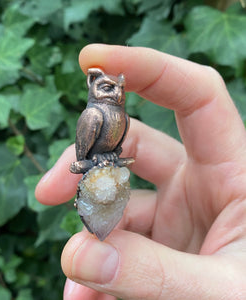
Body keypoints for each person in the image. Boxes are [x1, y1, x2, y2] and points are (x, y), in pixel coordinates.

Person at [35, 44, 246, 300]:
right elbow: (83, 151)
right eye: (106, 88)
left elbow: (118, 142)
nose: (114, 94)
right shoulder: (93, 114)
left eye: (119, 90)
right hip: (94, 168)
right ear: (92, 85)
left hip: (110, 163)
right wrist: (91, 162)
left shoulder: (122, 118)